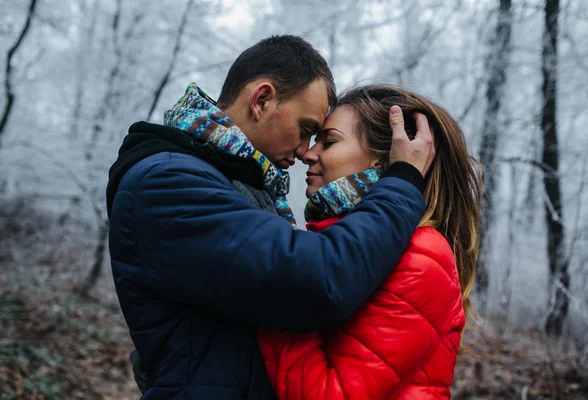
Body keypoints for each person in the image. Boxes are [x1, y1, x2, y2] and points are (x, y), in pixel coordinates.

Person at [106, 36, 435, 399]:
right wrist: (402, 183)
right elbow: (317, 281)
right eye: (307, 130)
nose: (304, 152)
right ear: (261, 100)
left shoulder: (230, 181)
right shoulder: (168, 184)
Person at [258, 84, 482, 400]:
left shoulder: (421, 256)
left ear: (383, 160)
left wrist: (273, 280)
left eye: (330, 141)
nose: (308, 154)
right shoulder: (338, 241)